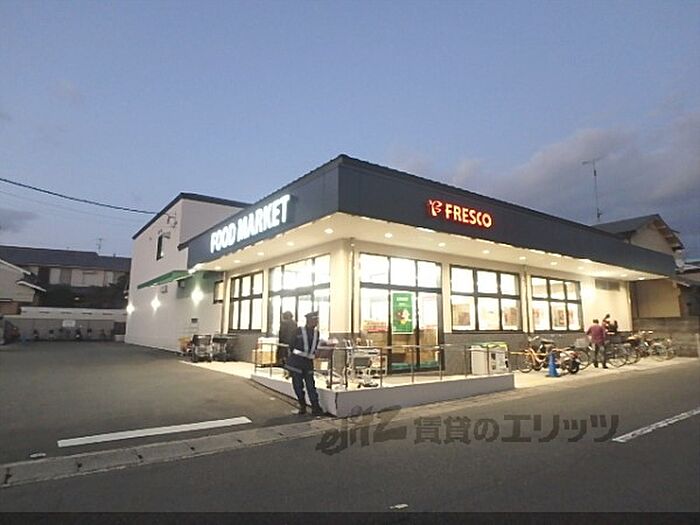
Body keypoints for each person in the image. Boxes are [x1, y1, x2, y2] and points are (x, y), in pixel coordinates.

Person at [284, 311, 324, 416]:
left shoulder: (316, 333)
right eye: (315, 320)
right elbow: (291, 345)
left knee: (311, 385)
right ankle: (302, 406)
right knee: (298, 386)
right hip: (297, 363)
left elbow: (315, 347)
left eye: (317, 320)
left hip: (308, 363)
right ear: (309, 320)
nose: (316, 322)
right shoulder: (298, 331)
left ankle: (316, 407)